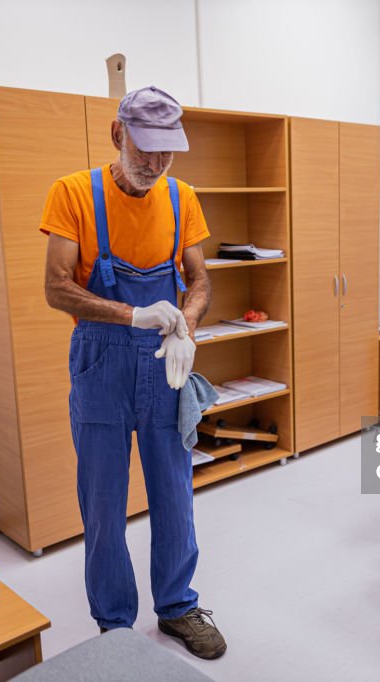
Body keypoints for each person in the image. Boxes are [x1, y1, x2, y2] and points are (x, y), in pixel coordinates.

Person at [40, 86, 226, 659]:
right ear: (118, 135)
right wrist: (133, 313)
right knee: (102, 498)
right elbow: (57, 287)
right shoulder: (72, 194)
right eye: (146, 150)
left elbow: (198, 281)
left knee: (174, 490)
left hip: (162, 364)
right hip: (100, 363)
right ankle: (114, 624)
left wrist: (185, 327)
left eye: (167, 152)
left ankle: (177, 606)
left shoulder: (181, 197)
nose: (155, 165)